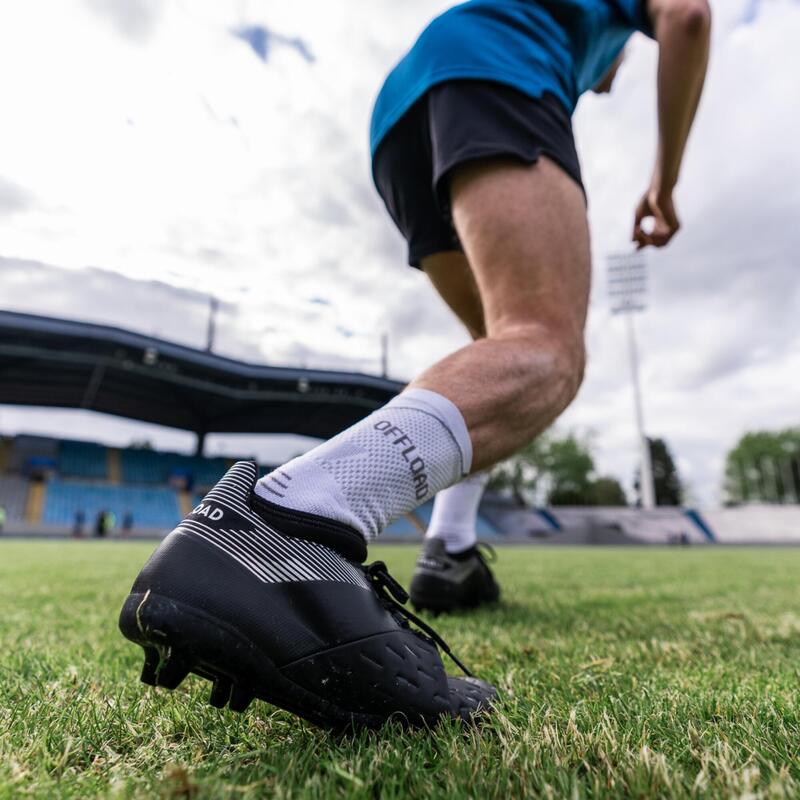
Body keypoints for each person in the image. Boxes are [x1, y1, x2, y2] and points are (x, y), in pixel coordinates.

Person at [120, 0, 711, 729]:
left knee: (496, 357)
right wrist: (665, 181)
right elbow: (688, 16)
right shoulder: (588, 28)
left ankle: (450, 553)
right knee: (546, 351)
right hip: (494, 69)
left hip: (402, 112)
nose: (612, 71)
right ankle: (290, 516)